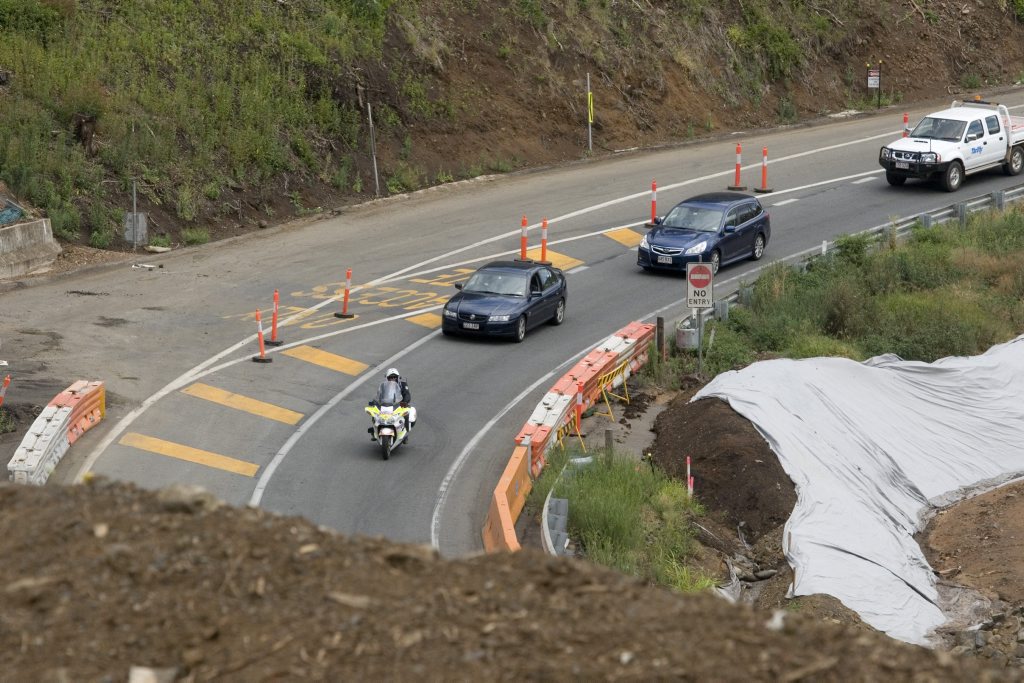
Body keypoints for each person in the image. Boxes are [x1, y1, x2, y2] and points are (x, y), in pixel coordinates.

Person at [368, 368, 415, 441]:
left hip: (399, 404)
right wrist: (374, 402)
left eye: (394, 377)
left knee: (410, 412)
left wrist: (405, 402)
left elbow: (407, 394)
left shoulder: (402, 384)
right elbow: (379, 395)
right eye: (390, 377)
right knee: (374, 413)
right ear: (387, 378)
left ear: (397, 377)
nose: (393, 379)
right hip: (385, 404)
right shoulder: (383, 386)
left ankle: (405, 432)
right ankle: (374, 431)